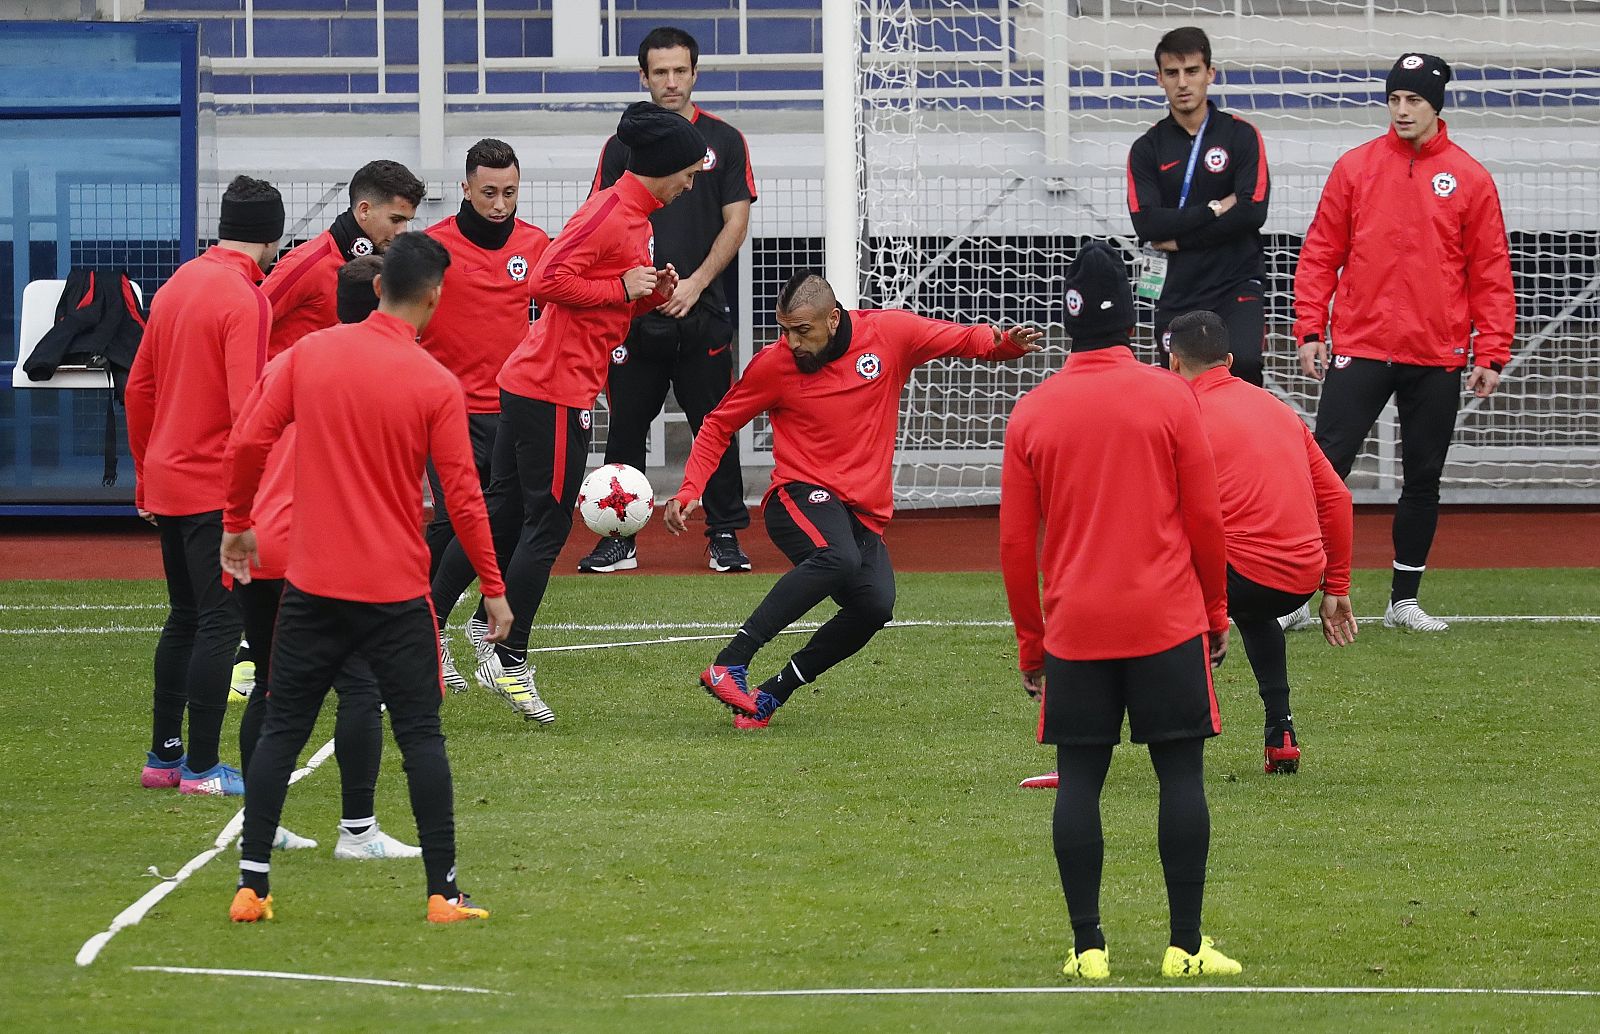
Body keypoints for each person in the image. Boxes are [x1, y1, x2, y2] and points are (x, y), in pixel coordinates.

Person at [221, 232, 511, 925]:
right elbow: (465, 499)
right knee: (421, 737)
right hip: (395, 592)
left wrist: (237, 522)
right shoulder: (435, 383)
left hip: (314, 586)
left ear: (377, 288)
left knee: (281, 728)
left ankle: (252, 885)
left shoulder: (309, 356)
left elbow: (249, 440)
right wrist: (494, 589)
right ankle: (443, 893)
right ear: (434, 296)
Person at [999, 242, 1239, 981]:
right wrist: (1216, 610)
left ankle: (1089, 947)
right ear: (1134, 321)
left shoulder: (1033, 410)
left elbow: (1014, 545)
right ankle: (1185, 947)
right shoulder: (1171, 398)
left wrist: (1032, 646)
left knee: (1079, 783)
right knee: (1182, 777)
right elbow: (1205, 518)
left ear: (1066, 322)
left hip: (1077, 627)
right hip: (1165, 620)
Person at [666, 271, 1042, 728]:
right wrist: (690, 489)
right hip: (797, 498)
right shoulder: (774, 365)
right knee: (837, 558)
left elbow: (958, 338)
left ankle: (769, 696)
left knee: (875, 606)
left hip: (860, 513)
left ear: (834, 318)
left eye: (803, 331)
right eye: (784, 330)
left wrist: (1002, 345)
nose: (793, 342)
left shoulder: (889, 335)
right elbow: (719, 423)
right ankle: (731, 662)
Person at [429, 101, 697, 722]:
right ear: (663, 167)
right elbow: (546, 281)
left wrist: (644, 293)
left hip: (538, 383)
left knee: (499, 514)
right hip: (551, 390)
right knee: (544, 527)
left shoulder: (638, 213)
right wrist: (619, 289)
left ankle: (431, 625)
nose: (691, 181)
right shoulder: (610, 211)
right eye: (688, 171)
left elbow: (599, 299)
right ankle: (508, 655)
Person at [1294, 53, 1514, 632]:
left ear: (1436, 105)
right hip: (1360, 345)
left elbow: (1490, 272)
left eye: (1413, 100)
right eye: (1393, 99)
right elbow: (1321, 252)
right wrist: (1311, 328)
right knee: (1324, 470)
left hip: (1436, 353)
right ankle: (1298, 593)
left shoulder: (1469, 178)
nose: (1401, 110)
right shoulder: (1355, 167)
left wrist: (1491, 351)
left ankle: (1403, 601)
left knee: (1423, 477)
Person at [232, 255, 420, 858]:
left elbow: (247, 441)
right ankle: (358, 832)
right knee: (360, 684)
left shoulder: (290, 360)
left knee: (268, 685)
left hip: (261, 542)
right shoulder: (387, 369)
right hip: (318, 551)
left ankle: (259, 824)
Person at [125, 175, 284, 798]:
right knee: (220, 624)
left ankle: (164, 756)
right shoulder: (246, 300)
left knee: (184, 618)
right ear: (272, 238)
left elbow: (139, 388)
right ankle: (201, 766)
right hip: (214, 486)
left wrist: (146, 472)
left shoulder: (177, 285)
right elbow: (250, 409)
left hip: (168, 478)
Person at [579, 26, 758, 575]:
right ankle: (618, 539)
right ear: (643, 77)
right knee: (627, 428)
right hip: (636, 316)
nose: (672, 81)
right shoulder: (619, 146)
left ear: (695, 73)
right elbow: (602, 221)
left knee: (715, 425)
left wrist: (697, 283)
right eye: (660, 72)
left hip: (702, 310)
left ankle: (723, 535)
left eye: (681, 70)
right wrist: (637, 286)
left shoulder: (725, 140)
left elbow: (737, 219)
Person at [1167, 309, 1358, 774]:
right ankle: (1282, 732)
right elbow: (1338, 497)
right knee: (1252, 612)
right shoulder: (1278, 408)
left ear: (1173, 364)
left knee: (1155, 590)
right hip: (1298, 582)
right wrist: (1336, 586)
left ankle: (1176, 735)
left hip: (1242, 574)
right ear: (1229, 360)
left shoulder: (1182, 414)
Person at [422, 139, 550, 691]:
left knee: (510, 523)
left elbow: (552, 315)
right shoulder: (432, 249)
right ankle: (425, 628)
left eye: (510, 192)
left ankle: (480, 624)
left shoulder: (537, 244)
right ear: (466, 189)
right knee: (455, 521)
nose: (500, 204)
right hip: (447, 410)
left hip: (514, 408)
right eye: (489, 192)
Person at [1127, 25, 1271, 386]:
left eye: (1192, 71)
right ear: (1159, 78)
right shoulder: (1147, 148)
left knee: (1246, 366)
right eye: (1172, 73)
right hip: (1177, 290)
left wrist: (1182, 239)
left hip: (1235, 281)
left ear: (1210, 74)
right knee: (1182, 388)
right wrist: (1214, 209)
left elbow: (1253, 212)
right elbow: (1147, 225)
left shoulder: (1241, 135)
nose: (1183, 83)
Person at [261, 159, 425, 359]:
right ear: (364, 210)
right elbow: (248, 322)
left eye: (406, 221)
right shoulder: (311, 262)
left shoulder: (383, 266)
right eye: (395, 220)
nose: (402, 231)